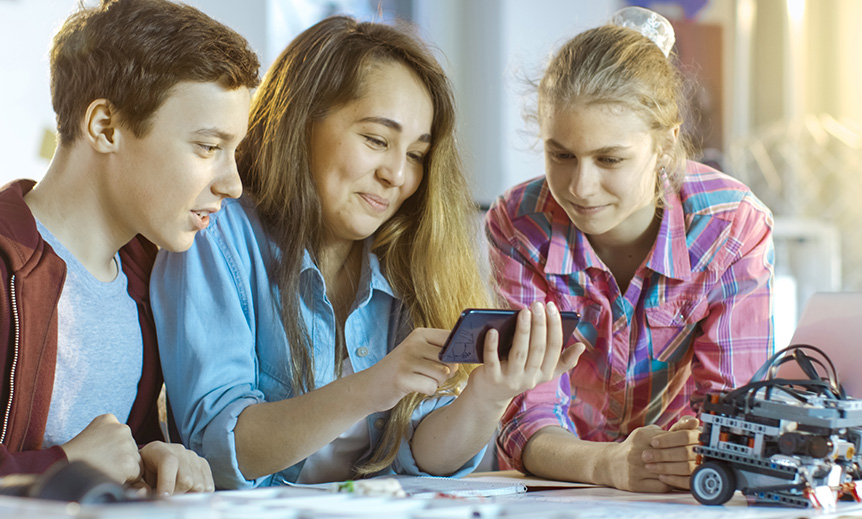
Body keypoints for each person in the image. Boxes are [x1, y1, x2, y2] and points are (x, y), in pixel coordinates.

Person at [150, 15, 583, 490]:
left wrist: (489, 394)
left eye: (416, 154)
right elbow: (219, 451)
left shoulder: (407, 249)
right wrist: (373, 385)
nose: (398, 175)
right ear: (301, 122)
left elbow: (427, 456)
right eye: (377, 140)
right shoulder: (217, 231)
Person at [487, 7, 775, 493]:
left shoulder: (731, 227)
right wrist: (610, 465)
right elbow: (523, 415)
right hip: (554, 490)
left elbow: (733, 415)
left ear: (666, 145)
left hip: (673, 488)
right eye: (561, 155)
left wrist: (682, 454)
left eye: (610, 159)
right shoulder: (519, 226)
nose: (581, 186)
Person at [0, 0, 260, 494]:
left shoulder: (149, 278)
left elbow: (112, 452)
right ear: (106, 127)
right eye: (208, 147)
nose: (233, 184)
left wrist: (150, 459)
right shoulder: (6, 263)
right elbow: (81, 456)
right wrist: (65, 463)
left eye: (234, 152)